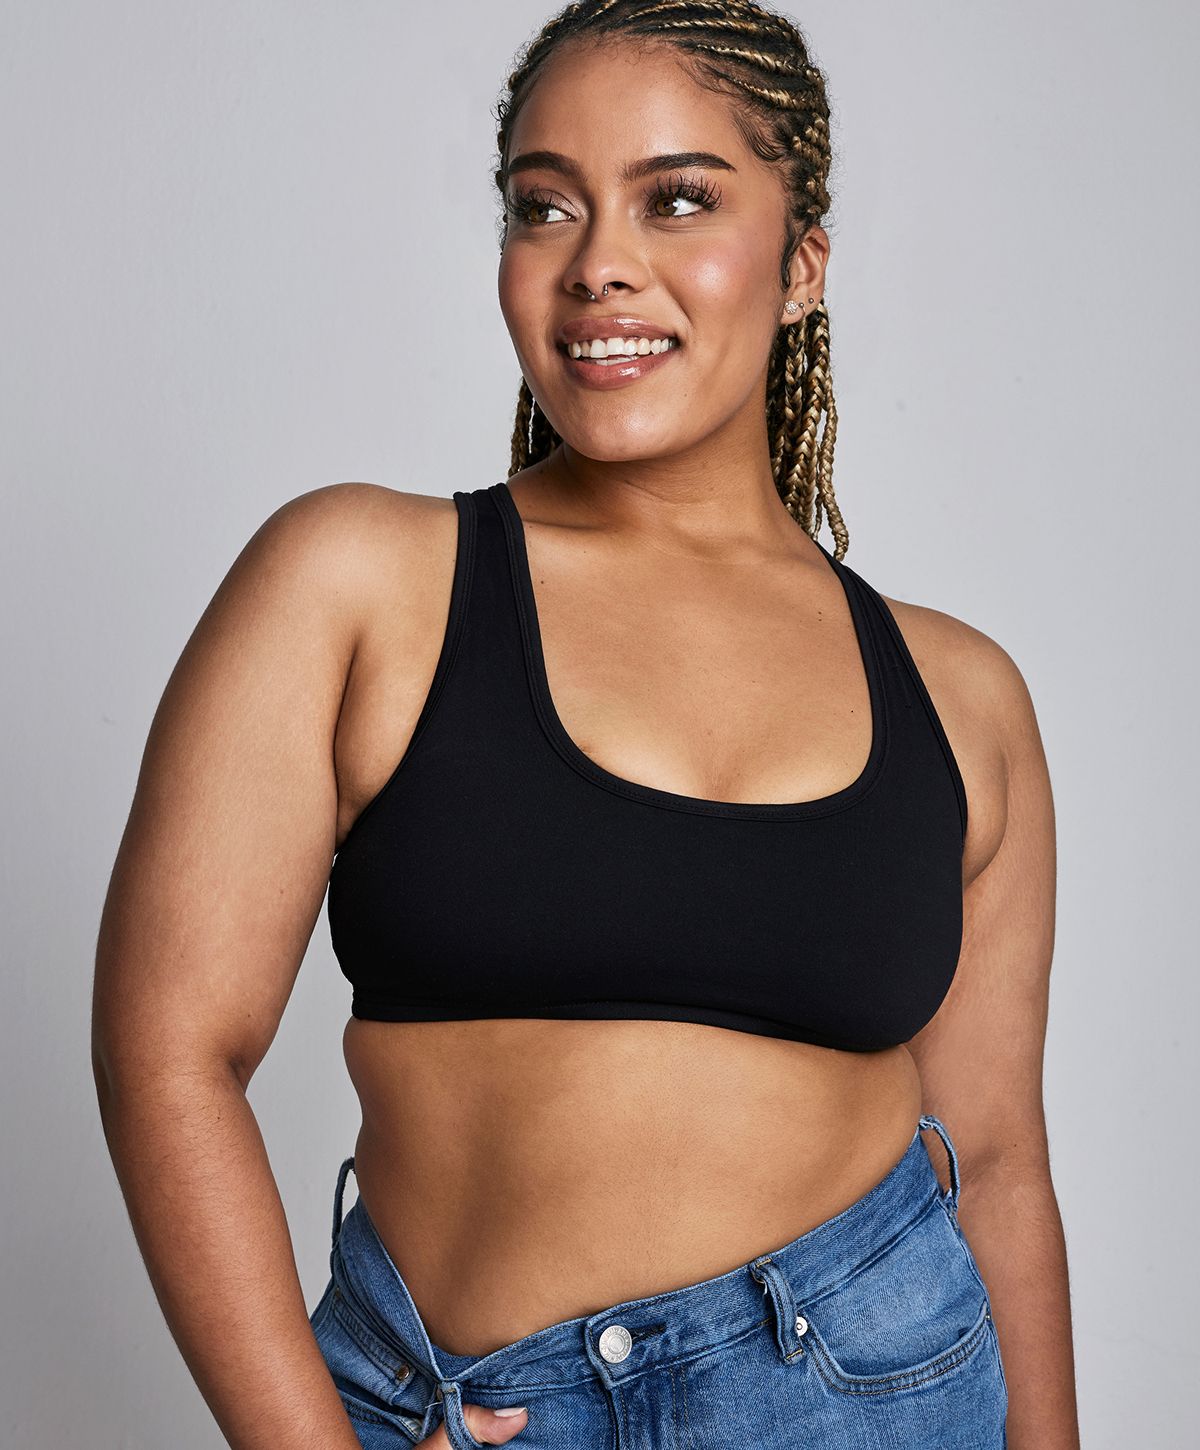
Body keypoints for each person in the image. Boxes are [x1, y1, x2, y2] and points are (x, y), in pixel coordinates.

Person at [91, 2, 1079, 1447]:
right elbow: (166, 1047)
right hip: (465, 1409)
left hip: (875, 1404)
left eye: (677, 198)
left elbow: (993, 1164)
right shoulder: (360, 585)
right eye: (544, 204)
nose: (600, 263)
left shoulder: (960, 695)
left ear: (804, 266)